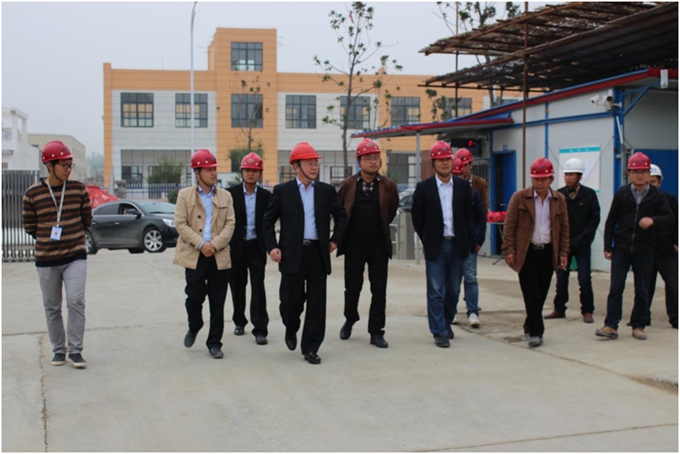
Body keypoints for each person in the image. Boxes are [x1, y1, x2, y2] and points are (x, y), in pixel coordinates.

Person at [263, 142, 347, 365]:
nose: (314, 167)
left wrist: (335, 240)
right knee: (290, 301)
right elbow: (267, 221)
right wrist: (272, 247)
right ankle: (291, 327)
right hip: (291, 253)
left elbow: (341, 216)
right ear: (296, 166)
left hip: (318, 253)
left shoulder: (326, 191)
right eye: (309, 163)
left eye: (315, 163)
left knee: (317, 305)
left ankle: (311, 347)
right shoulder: (283, 191)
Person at [23, 141, 92, 369]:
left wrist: (72, 236)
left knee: (76, 301)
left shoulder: (78, 190)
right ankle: (59, 350)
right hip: (46, 259)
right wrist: (47, 238)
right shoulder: (32, 194)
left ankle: (76, 350)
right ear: (50, 166)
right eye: (64, 165)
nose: (68, 170)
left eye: (70, 165)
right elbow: (29, 225)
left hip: (75, 256)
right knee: (52, 306)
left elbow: (87, 219)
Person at [596, 152, 673, 341]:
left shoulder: (656, 196)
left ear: (648, 173)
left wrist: (652, 220)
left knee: (642, 289)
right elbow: (611, 220)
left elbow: (669, 218)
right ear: (629, 173)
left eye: (643, 171)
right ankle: (611, 325)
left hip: (644, 249)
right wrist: (608, 246)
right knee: (616, 287)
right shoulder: (622, 194)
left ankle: (639, 325)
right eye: (635, 171)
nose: (639, 175)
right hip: (622, 248)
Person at [337, 139, 399, 348]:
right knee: (352, 288)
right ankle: (350, 318)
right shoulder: (348, 185)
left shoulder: (388, 186)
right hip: (353, 245)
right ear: (359, 161)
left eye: (376, 158)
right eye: (368, 158)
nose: (373, 162)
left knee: (379, 290)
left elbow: (391, 211)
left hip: (378, 245)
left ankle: (376, 331)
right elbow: (340, 211)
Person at [174, 149, 235, 359]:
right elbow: (180, 224)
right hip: (195, 255)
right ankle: (195, 325)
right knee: (193, 298)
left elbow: (230, 224)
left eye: (214, 169)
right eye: (208, 170)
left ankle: (215, 343)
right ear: (197, 173)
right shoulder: (184, 195)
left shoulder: (226, 196)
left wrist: (214, 245)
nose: (213, 173)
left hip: (218, 255)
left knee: (218, 302)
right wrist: (201, 244)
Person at [411, 141, 473, 348]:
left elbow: (469, 216)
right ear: (433, 163)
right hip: (436, 246)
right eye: (440, 160)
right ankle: (438, 331)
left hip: (457, 245)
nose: (445, 163)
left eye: (447, 159)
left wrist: (469, 240)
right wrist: (427, 238)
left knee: (453, 290)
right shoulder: (424, 188)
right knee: (436, 290)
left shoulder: (463, 187)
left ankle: (446, 323)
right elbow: (417, 217)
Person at [502, 157, 569, 348]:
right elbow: (509, 225)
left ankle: (529, 324)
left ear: (551, 179)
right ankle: (536, 332)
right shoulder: (520, 198)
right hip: (527, 252)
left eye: (544, 179)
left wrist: (563, 252)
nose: (540, 183)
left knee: (541, 292)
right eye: (536, 179)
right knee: (530, 292)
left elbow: (564, 228)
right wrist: (509, 249)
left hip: (548, 252)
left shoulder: (558, 200)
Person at [545, 158, 600, 323]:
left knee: (584, 278)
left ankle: (587, 310)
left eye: (571, 174)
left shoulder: (589, 195)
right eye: (566, 174)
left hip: (582, 244)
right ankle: (559, 308)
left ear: (579, 176)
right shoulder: (558, 195)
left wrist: (586, 239)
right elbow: (553, 219)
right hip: (564, 244)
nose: (568, 177)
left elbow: (594, 218)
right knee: (561, 277)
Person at [227, 153, 271, 345]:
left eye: (254, 170)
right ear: (242, 172)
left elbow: (269, 223)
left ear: (260, 173)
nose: (251, 174)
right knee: (237, 286)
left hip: (257, 247)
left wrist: (271, 246)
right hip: (236, 246)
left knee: (258, 287)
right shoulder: (230, 194)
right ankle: (239, 321)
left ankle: (260, 328)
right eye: (247, 170)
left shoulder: (266, 196)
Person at [453, 148, 488, 327]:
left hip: (470, 240)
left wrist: (479, 239)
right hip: (453, 240)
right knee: (453, 278)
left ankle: (472, 311)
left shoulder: (477, 186)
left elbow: (482, 213)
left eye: (466, 165)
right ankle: (451, 310)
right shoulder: (449, 188)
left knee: (471, 277)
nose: (463, 169)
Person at [646, 164, 678, 329]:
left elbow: (676, 222)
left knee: (673, 284)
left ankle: (676, 317)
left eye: (653, 182)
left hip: (666, 249)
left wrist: (676, 243)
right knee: (645, 285)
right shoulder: (640, 201)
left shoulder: (669, 199)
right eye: (648, 182)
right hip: (647, 249)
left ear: (660, 182)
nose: (651, 185)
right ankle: (643, 316)